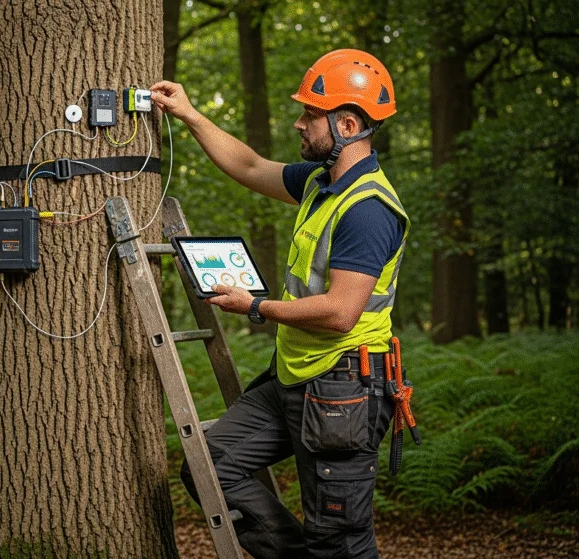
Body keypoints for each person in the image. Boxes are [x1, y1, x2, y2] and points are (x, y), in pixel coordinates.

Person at [150, 49, 410, 558]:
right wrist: (189, 112)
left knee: (338, 542)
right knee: (210, 468)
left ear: (348, 123)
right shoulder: (320, 185)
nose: (299, 123)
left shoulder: (369, 210)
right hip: (294, 375)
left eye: (311, 115)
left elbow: (340, 312)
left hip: (344, 389)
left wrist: (256, 306)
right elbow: (248, 165)